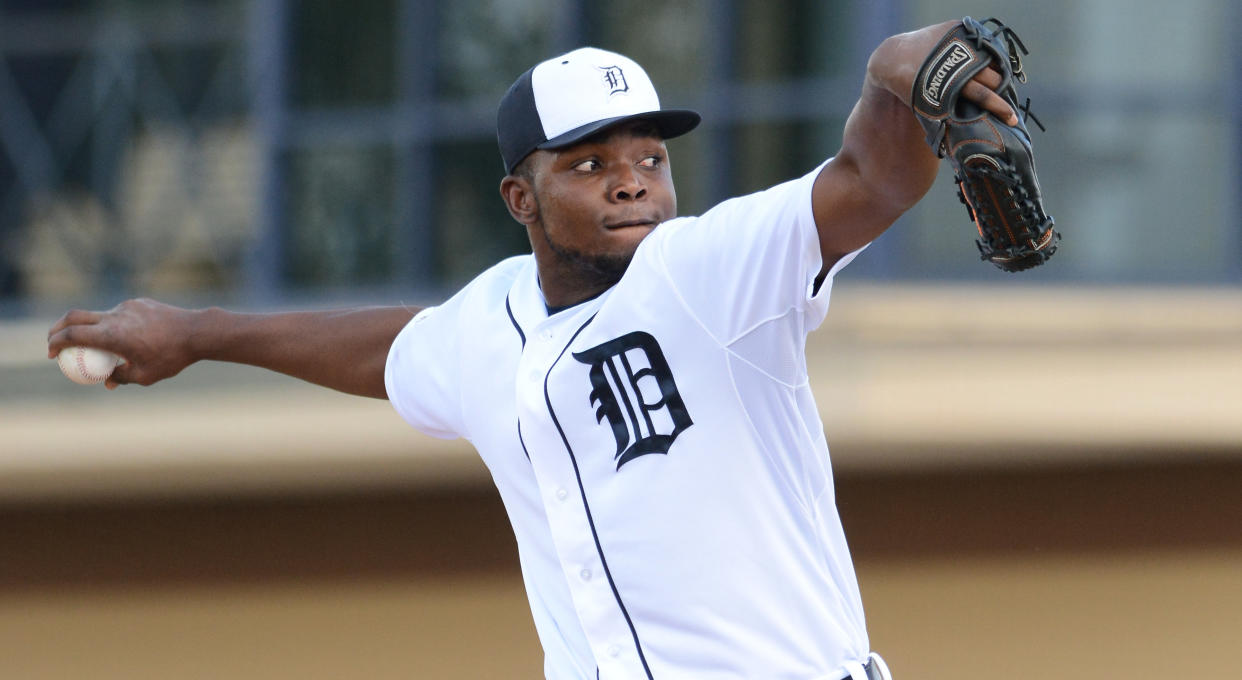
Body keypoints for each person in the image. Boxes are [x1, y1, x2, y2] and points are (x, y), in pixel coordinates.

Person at [47, 20, 1019, 680]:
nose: (632, 182)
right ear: (522, 198)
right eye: (591, 163)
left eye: (650, 157)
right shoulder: (487, 323)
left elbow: (870, 180)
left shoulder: (710, 269)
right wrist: (197, 332)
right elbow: (389, 346)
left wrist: (903, 57)